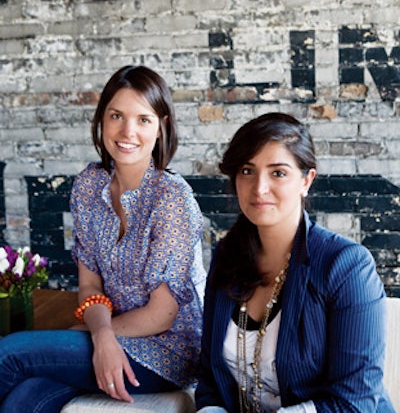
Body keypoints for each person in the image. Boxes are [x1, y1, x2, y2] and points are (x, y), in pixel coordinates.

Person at [0, 65, 206, 413]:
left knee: (9, 355)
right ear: (102, 120)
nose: (128, 131)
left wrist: (101, 335)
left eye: (143, 119)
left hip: (168, 352)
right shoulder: (87, 186)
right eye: (116, 116)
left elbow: (162, 315)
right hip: (109, 334)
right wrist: (101, 335)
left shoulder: (172, 198)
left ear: (162, 127)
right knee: (25, 398)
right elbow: (90, 286)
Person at [195, 112, 394, 413]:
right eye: (247, 171)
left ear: (306, 180)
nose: (259, 188)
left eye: (278, 173)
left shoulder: (347, 267)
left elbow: (354, 402)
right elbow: (210, 380)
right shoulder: (226, 256)